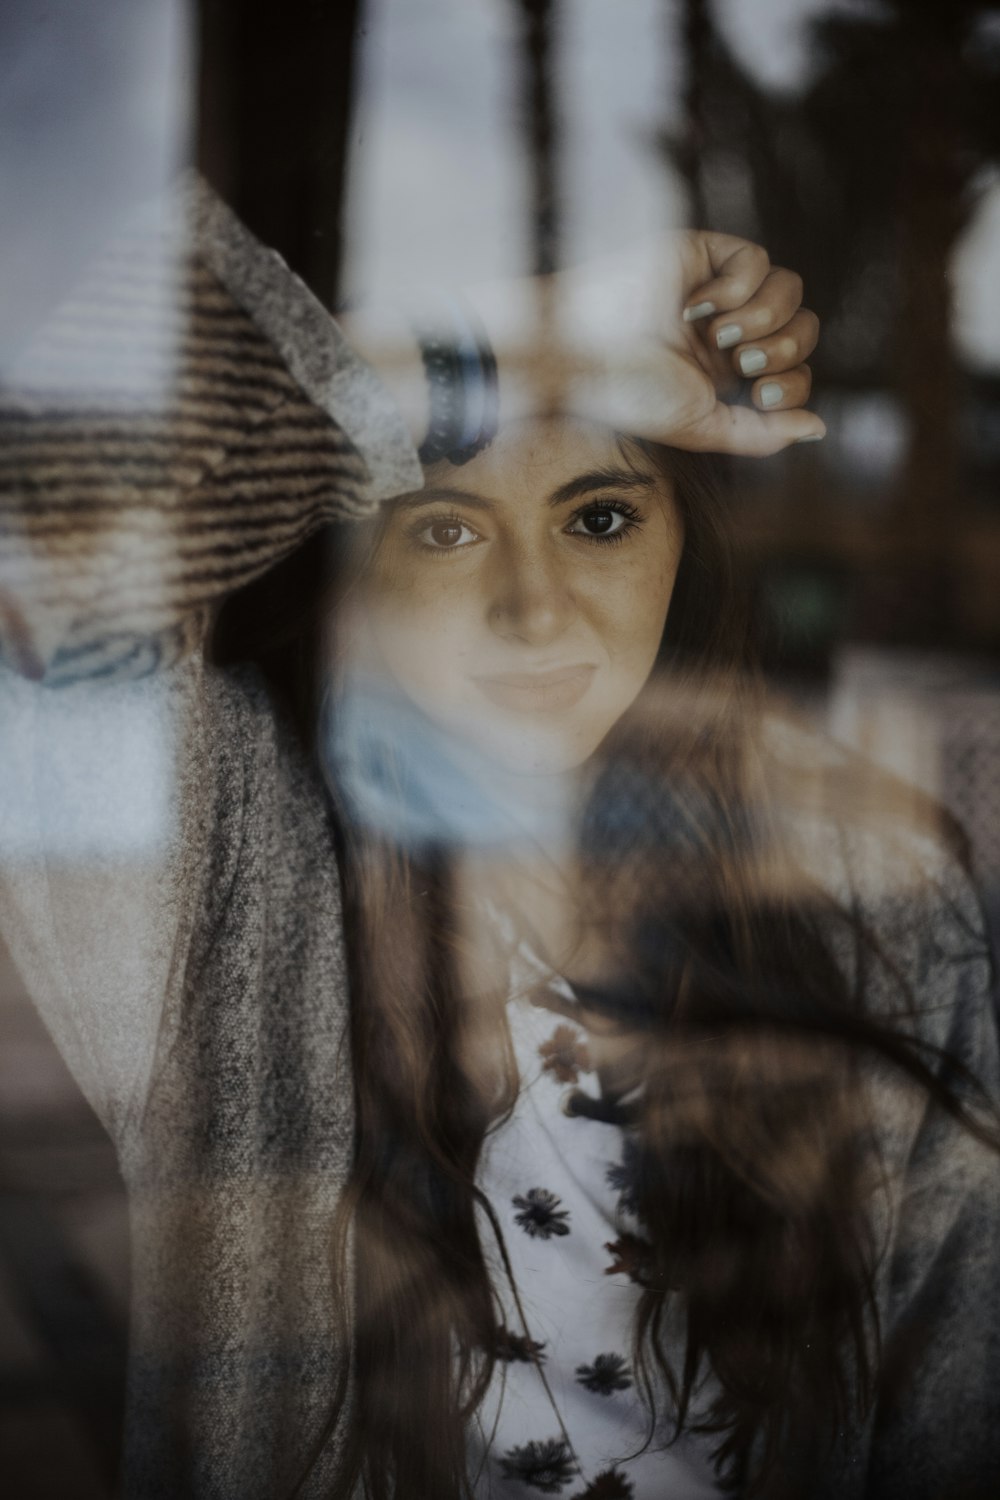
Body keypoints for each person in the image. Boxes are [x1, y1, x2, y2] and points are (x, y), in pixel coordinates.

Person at [0, 179, 997, 1500]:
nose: (535, 609)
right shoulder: (228, 855)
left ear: (683, 546)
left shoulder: (871, 886)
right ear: (354, 562)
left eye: (599, 518)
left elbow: (953, 1401)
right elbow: (51, 508)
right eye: (448, 525)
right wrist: (532, 331)